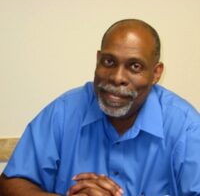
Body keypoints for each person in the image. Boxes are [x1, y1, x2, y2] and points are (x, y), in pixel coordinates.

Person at [0, 19, 200, 196]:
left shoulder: (187, 127)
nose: (117, 77)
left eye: (135, 66)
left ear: (156, 73)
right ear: (97, 60)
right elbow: (9, 184)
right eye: (109, 61)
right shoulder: (64, 111)